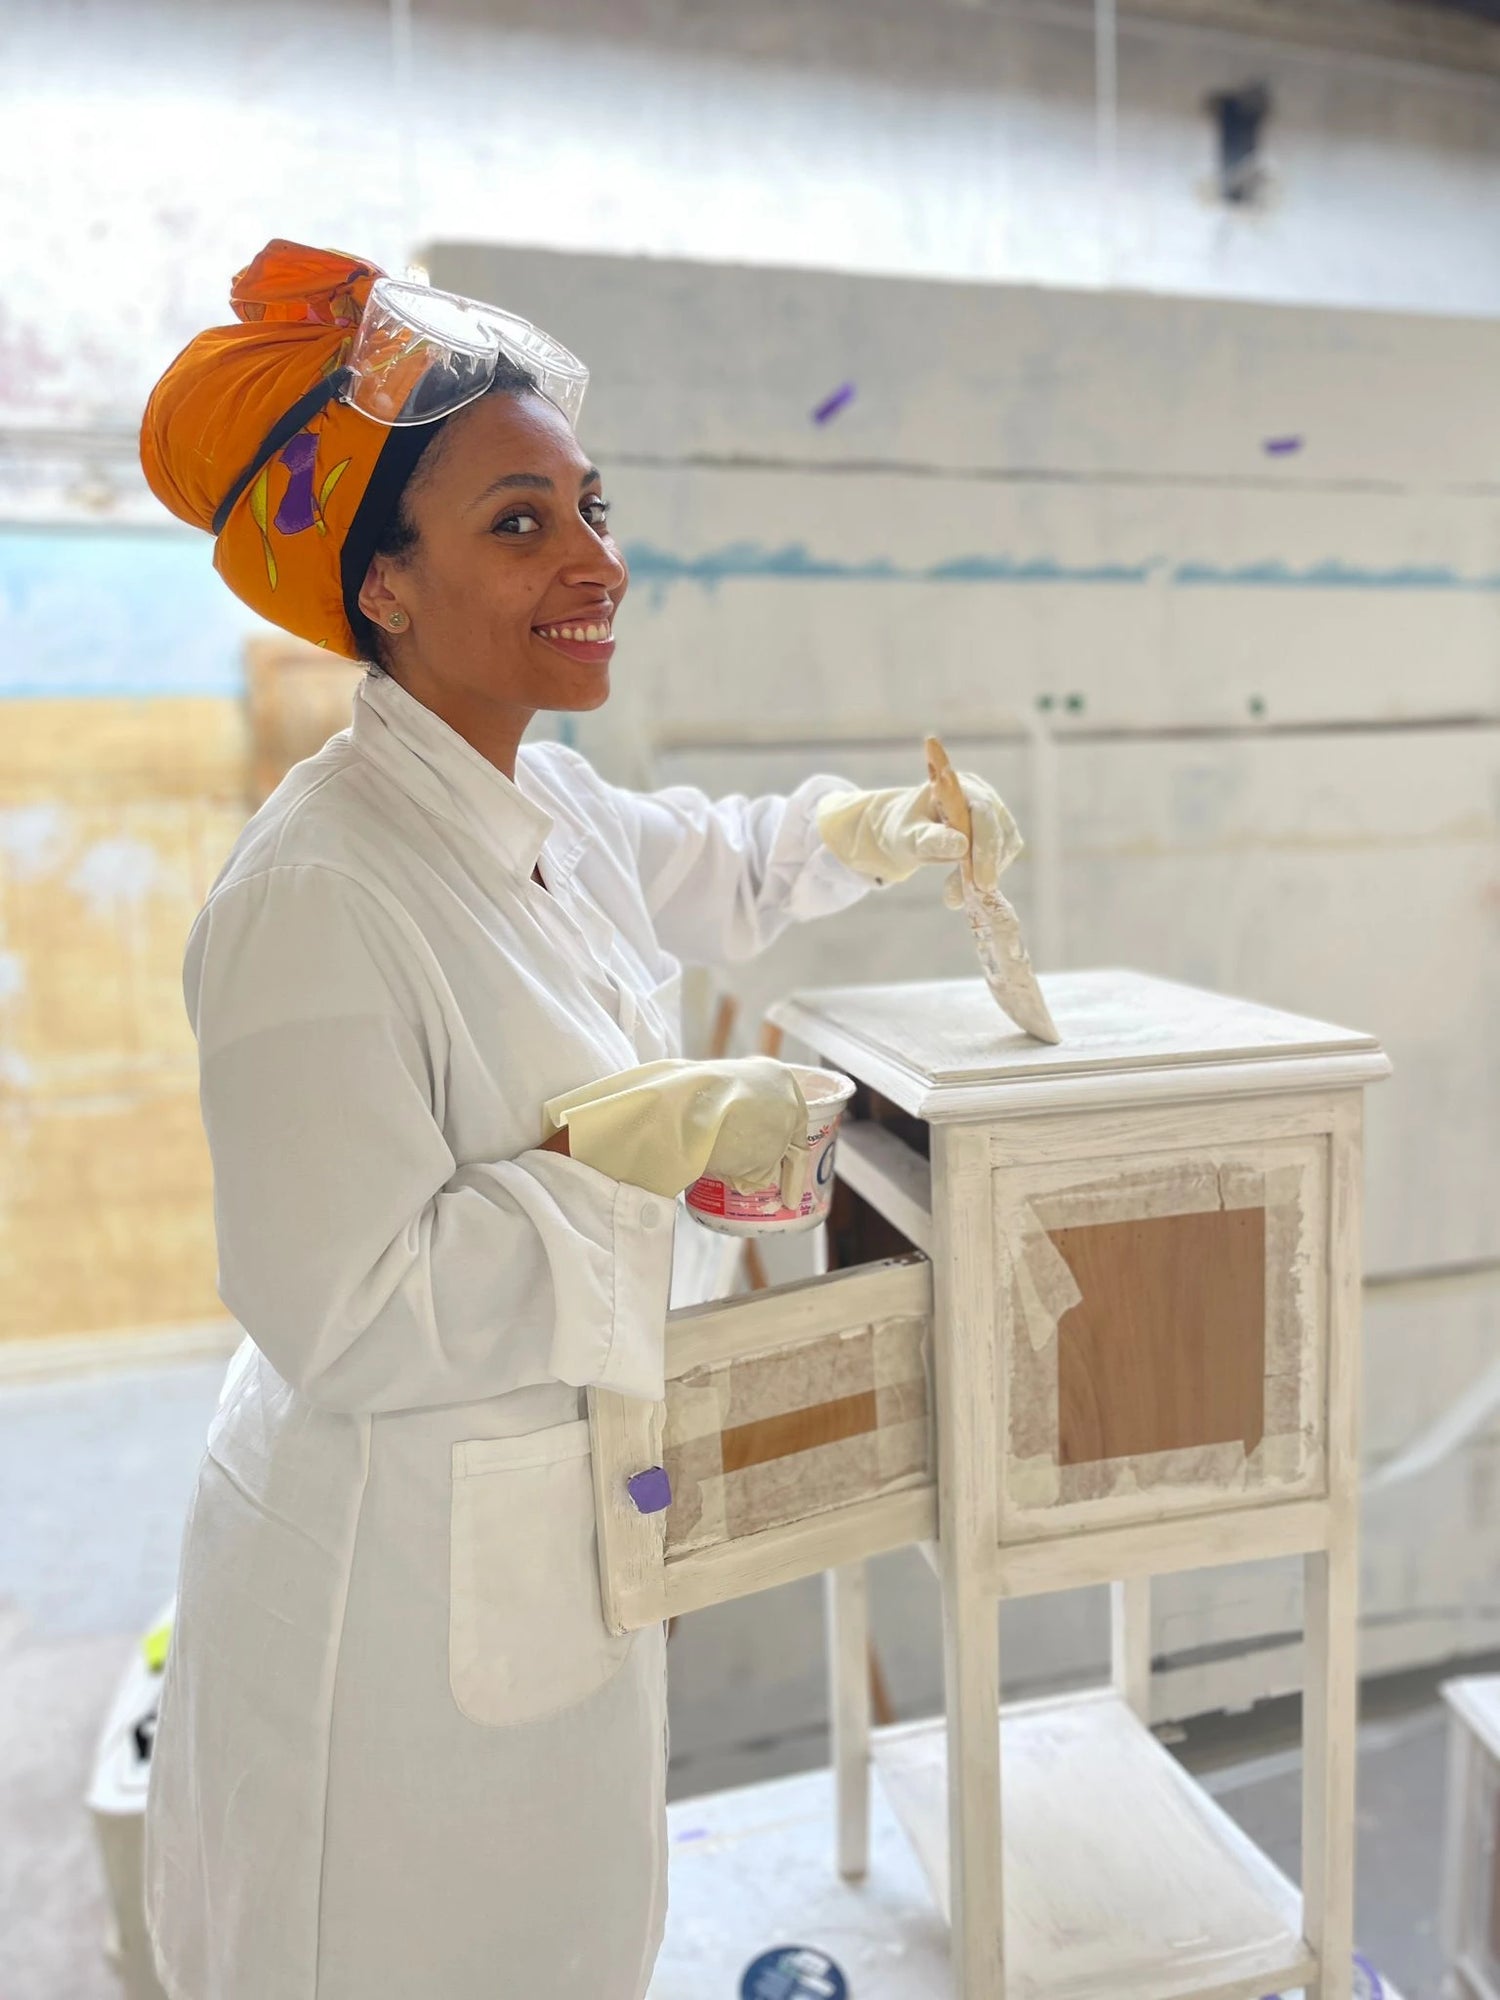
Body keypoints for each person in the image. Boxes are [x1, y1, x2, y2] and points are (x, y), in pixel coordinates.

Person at [137, 239, 1018, 2000]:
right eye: (521, 524)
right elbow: (346, 1306)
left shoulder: (535, 797)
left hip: (543, 1532)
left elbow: (717, 856)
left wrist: (867, 833)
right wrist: (634, 1159)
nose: (598, 562)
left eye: (592, 510)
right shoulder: (322, 892)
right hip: (383, 1592)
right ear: (381, 587)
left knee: (562, 1936)